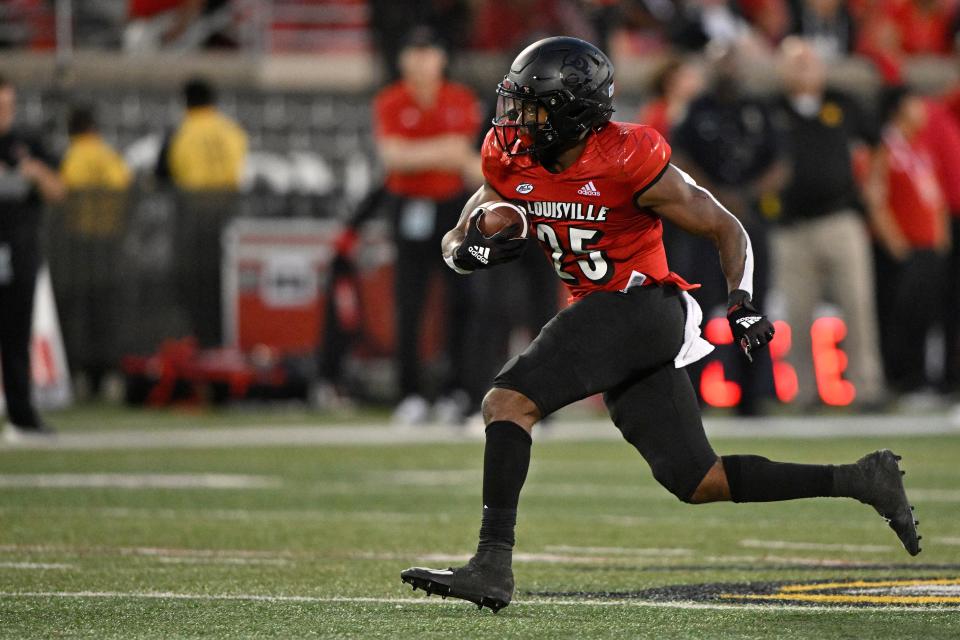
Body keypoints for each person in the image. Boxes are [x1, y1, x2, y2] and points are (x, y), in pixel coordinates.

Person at [400, 37, 921, 613]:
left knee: (507, 402)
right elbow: (461, 230)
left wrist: (742, 301)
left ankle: (491, 564)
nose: (519, 118)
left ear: (574, 109)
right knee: (698, 479)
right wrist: (465, 252)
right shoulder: (509, 154)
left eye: (535, 106)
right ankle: (861, 479)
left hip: (641, 307)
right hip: (607, 318)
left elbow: (728, 227)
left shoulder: (628, 157)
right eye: (518, 104)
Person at [372, 26, 481, 425]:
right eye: (414, 53)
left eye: (428, 52)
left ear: (441, 59)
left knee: (462, 300)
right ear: (403, 60)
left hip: (453, 207)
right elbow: (394, 157)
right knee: (409, 302)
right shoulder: (391, 100)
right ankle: (411, 393)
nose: (421, 61)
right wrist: (444, 151)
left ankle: (456, 389)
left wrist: (429, 153)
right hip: (409, 206)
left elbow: (467, 158)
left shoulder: (459, 98)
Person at [670, 42, 786, 415]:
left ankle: (753, 396)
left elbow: (782, 164)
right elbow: (679, 159)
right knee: (698, 307)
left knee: (751, 304)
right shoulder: (696, 110)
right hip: (704, 225)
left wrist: (745, 195)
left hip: (749, 223)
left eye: (733, 64)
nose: (728, 71)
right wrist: (715, 198)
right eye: (722, 65)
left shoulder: (760, 109)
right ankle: (696, 392)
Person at [771, 38, 885, 410]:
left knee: (858, 305)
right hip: (791, 226)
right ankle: (803, 393)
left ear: (822, 67)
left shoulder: (842, 102)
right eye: (795, 61)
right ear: (781, 69)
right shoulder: (771, 110)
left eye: (809, 60)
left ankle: (867, 388)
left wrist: (875, 184)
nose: (803, 67)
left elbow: (877, 143)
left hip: (840, 219)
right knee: (797, 314)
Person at [866, 85, 949, 396]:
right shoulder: (885, 148)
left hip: (928, 248)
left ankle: (920, 379)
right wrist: (897, 247)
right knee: (902, 317)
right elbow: (875, 198)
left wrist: (940, 238)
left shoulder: (919, 147)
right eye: (917, 103)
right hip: (905, 250)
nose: (924, 110)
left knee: (926, 316)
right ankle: (901, 381)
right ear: (899, 108)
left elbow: (934, 198)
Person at [0, 75, 65, 440]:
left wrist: (36, 173)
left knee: (15, 334)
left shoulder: (29, 144)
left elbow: (59, 191)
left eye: (6, 105)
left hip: (19, 249)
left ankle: (22, 415)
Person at [58, 105, 133, 399]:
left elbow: (63, 192)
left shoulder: (72, 156)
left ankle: (77, 374)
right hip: (108, 242)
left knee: (76, 309)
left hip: (78, 243)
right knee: (106, 310)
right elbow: (123, 186)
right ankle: (107, 374)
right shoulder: (109, 155)